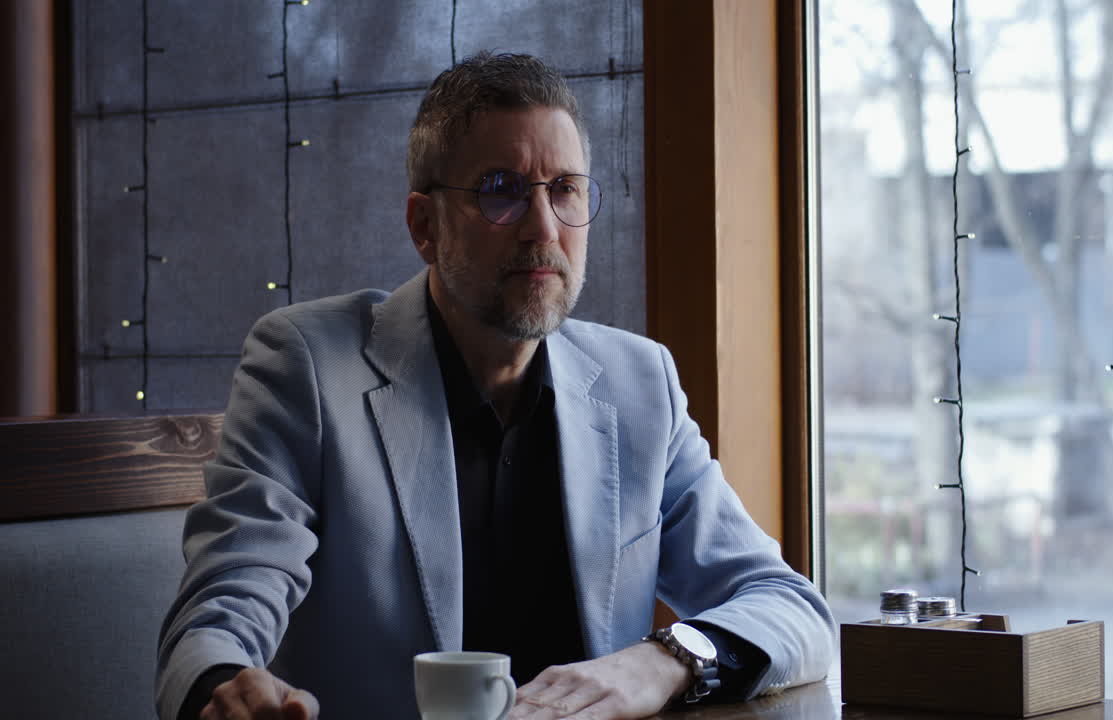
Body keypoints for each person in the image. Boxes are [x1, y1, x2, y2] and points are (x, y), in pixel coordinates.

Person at [155, 51, 835, 720]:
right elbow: (221, 614)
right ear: (425, 225)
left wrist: (663, 659)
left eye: (565, 189)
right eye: (501, 190)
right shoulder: (305, 365)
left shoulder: (639, 383)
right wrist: (227, 686)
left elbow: (790, 609)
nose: (544, 230)